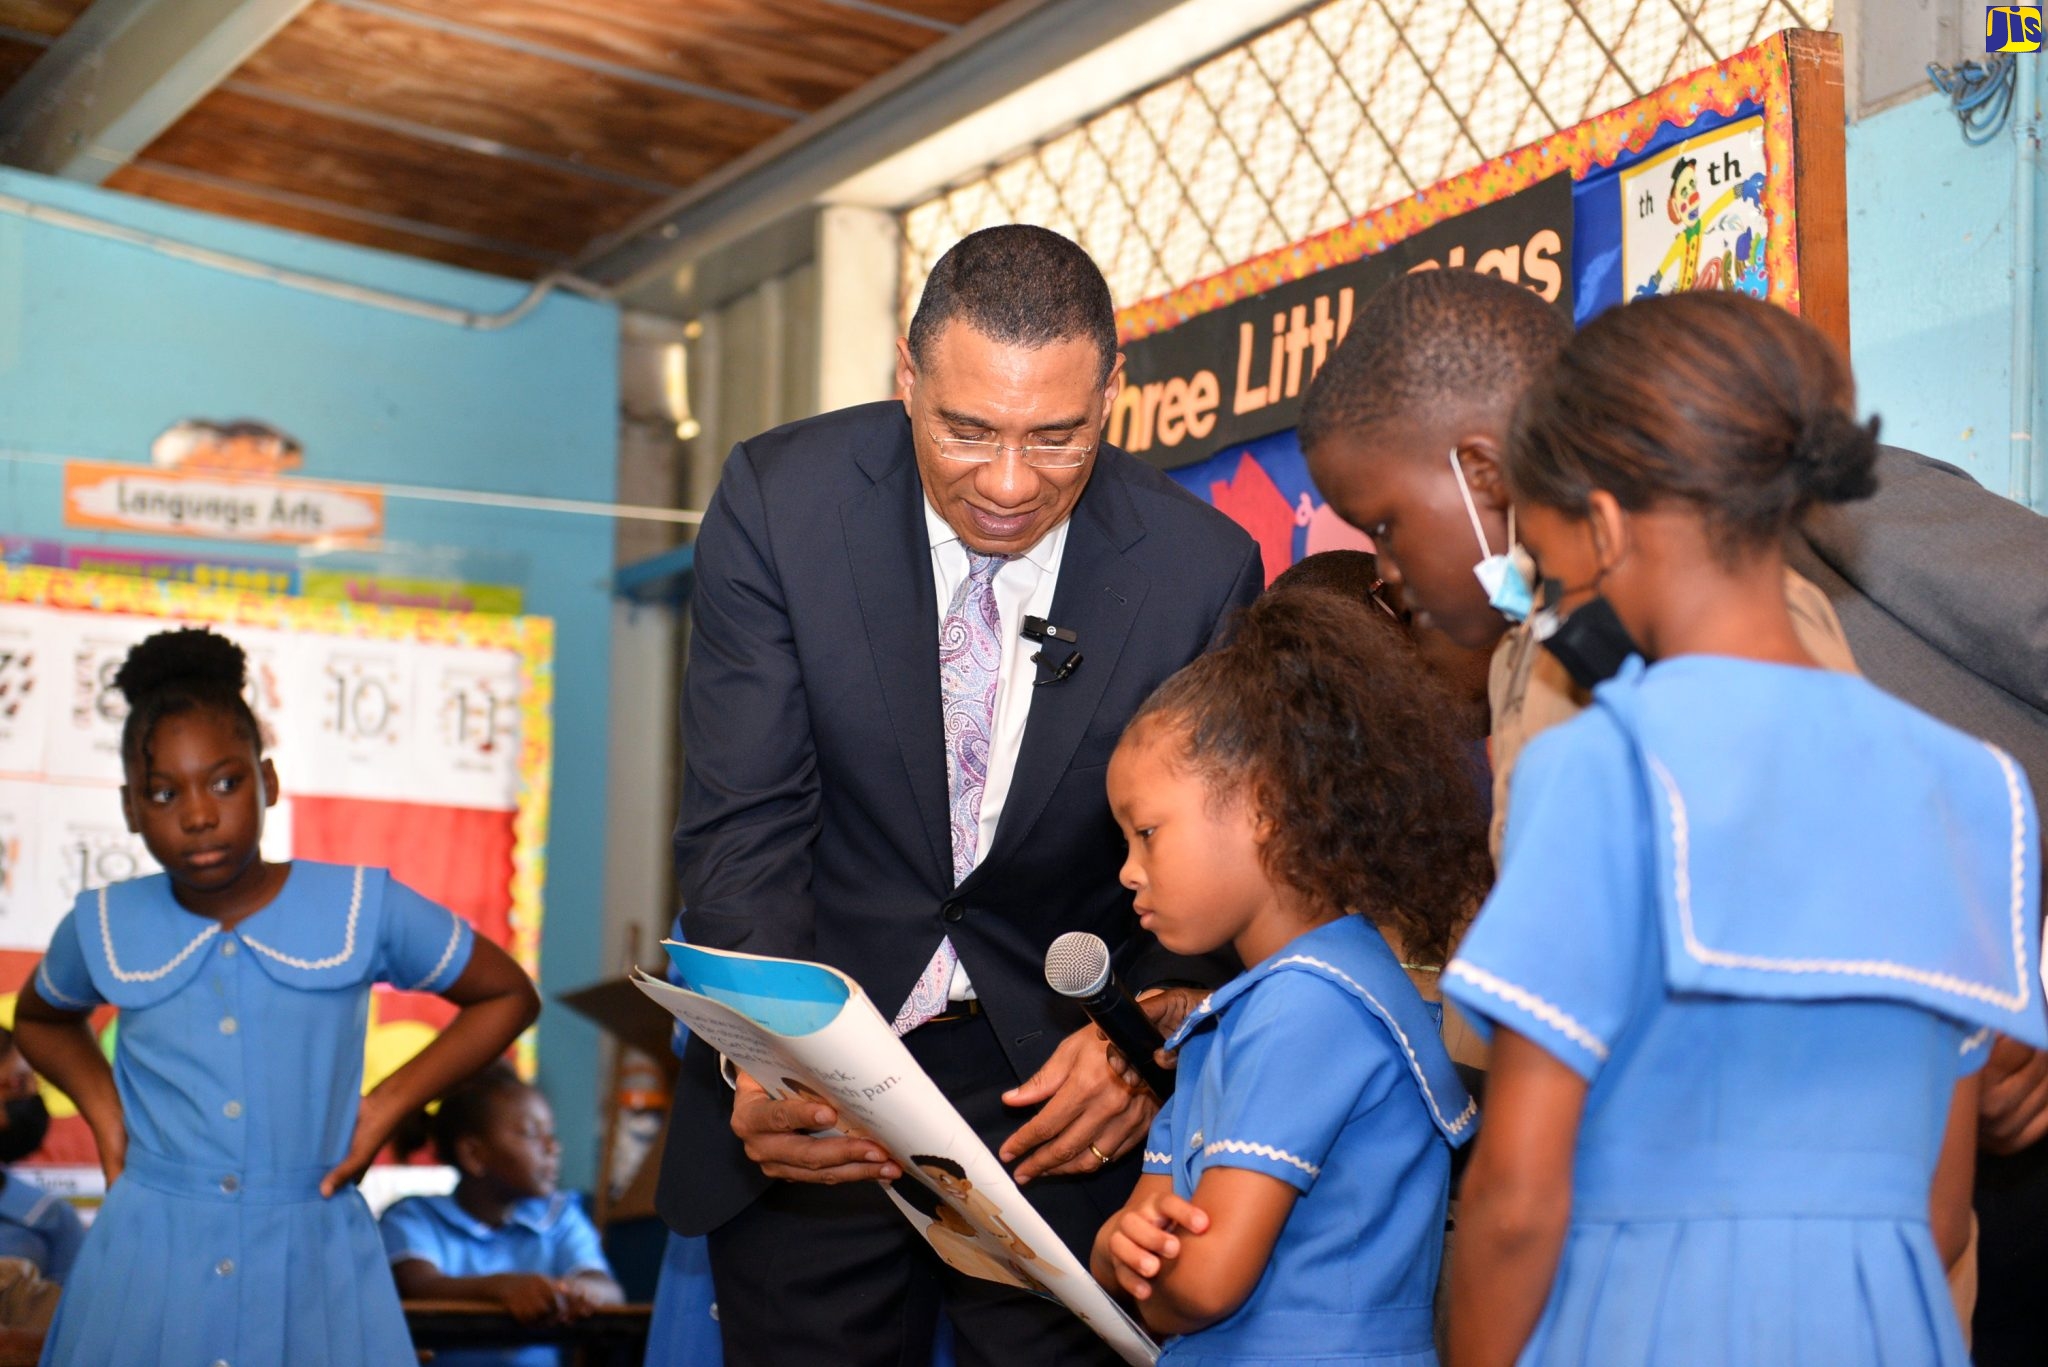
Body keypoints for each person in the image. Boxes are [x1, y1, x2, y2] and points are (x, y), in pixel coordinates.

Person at [1297, 271, 2048, 1339]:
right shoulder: (1538, 657)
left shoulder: (1781, 503)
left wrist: (2011, 977)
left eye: (1379, 524)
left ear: (1481, 472)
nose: (1380, 566)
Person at [660, 223, 1262, 1366]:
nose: (1006, 481)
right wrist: (771, 1059)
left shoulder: (1200, 569)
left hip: (1058, 1093)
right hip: (826, 1078)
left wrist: (1138, 1043)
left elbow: (1217, 871)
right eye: (965, 429)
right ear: (905, 376)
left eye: (1057, 437)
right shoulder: (779, 501)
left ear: (1112, 395)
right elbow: (746, 824)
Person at [13, 626, 540, 1367]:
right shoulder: (103, 921)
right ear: (131, 807)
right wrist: (103, 1111)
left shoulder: (363, 904)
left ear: (268, 780)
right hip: (147, 1258)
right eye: (165, 793)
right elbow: (40, 1018)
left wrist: (385, 1106)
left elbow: (507, 994)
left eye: (225, 782)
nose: (198, 814)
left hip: (314, 1253)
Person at [1090, 589, 1485, 1365]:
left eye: (1147, 833)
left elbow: (1200, 1287)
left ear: (1265, 805)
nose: (1128, 872)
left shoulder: (1310, 1007)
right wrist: (1118, 1245)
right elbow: (1136, 1249)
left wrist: (1127, 1262)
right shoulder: (1246, 1013)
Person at [382, 1063, 623, 1366]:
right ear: (474, 1154)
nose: (553, 1147)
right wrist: (504, 1288)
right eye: (531, 1134)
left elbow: (609, 1290)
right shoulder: (413, 1218)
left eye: (551, 1133)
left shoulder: (561, 1216)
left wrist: (574, 1292)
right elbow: (421, 1287)